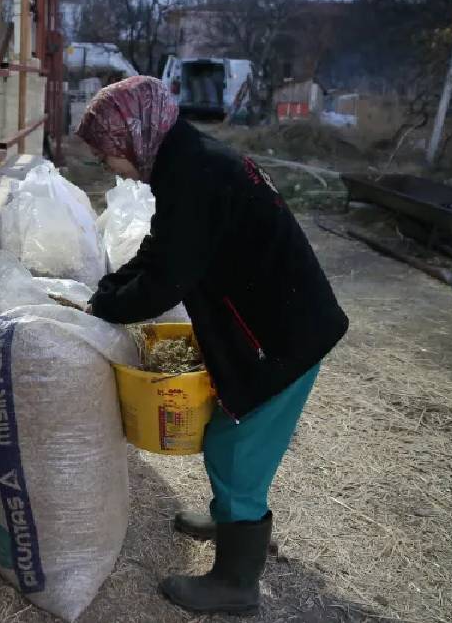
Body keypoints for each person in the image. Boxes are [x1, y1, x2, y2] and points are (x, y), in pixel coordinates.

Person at [76, 76, 349, 615]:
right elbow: (163, 246)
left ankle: (235, 582)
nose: (110, 167)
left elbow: (166, 282)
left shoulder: (195, 174)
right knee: (230, 430)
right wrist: (111, 286)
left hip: (283, 336)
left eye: (109, 154)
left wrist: (103, 308)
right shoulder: (187, 161)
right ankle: (232, 519)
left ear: (134, 135)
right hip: (278, 322)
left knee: (238, 448)